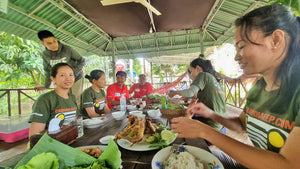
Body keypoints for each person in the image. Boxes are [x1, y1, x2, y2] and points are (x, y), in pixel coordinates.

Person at [171, 4, 300, 169]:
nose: (236, 57)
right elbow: (241, 125)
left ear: (276, 40)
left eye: (241, 46)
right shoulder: (260, 87)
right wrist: (210, 113)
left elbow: (289, 164)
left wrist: (204, 131)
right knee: (187, 154)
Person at [168, 58, 226, 132]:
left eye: (191, 71)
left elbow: (190, 92)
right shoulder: (217, 81)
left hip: (210, 125)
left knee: (176, 127)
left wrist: (175, 92)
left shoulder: (203, 75)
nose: (191, 75)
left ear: (198, 68)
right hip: (221, 126)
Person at [35, 30, 85, 105]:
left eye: (54, 41)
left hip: (76, 78)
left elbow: (81, 61)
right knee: (63, 100)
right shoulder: (45, 55)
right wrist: (46, 86)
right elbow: (48, 71)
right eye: (49, 43)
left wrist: (72, 74)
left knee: (76, 99)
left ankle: (77, 116)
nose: (54, 45)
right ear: (43, 44)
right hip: (61, 80)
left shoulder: (67, 49)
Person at [29, 63, 77, 138]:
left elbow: (76, 120)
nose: (68, 78)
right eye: (62, 75)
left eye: (71, 75)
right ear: (53, 79)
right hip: (53, 143)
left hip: (71, 138)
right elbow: (34, 136)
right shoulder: (45, 99)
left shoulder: (72, 97)